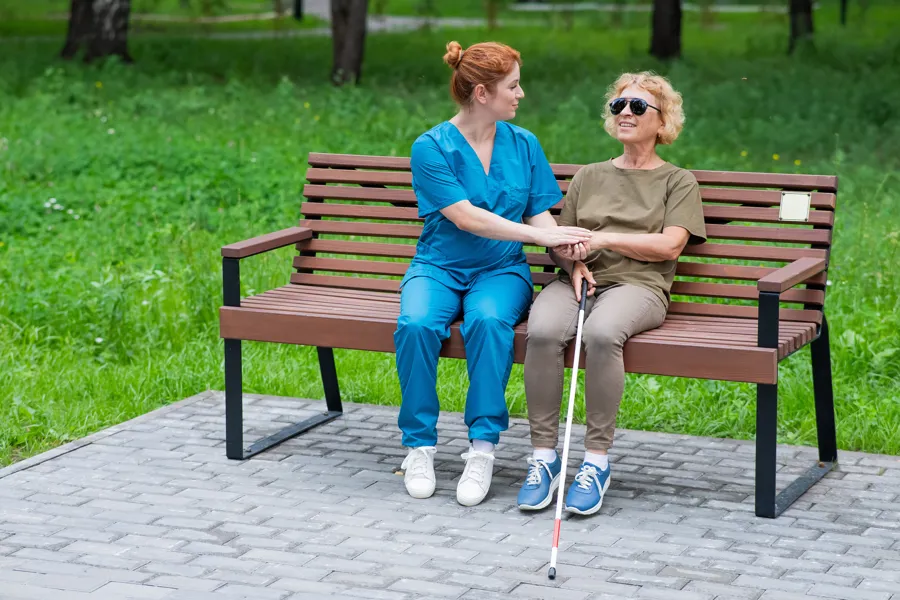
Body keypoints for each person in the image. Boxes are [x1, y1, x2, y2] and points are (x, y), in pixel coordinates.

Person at [395, 41, 594, 507]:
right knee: (417, 325)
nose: (521, 94)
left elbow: (539, 216)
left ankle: (481, 450)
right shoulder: (431, 147)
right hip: (438, 267)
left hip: (500, 271)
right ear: (482, 93)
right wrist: (544, 238)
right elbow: (466, 217)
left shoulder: (523, 143)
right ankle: (419, 446)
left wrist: (571, 257)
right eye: (514, 85)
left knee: (488, 323)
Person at [517, 72, 708, 515]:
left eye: (638, 107)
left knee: (602, 334)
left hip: (640, 286)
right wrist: (574, 260)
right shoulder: (589, 175)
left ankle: (596, 461)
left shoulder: (678, 182)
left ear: (662, 122)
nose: (625, 112)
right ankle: (544, 458)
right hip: (578, 279)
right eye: (618, 105)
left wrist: (603, 241)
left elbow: (670, 245)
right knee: (542, 331)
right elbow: (560, 237)